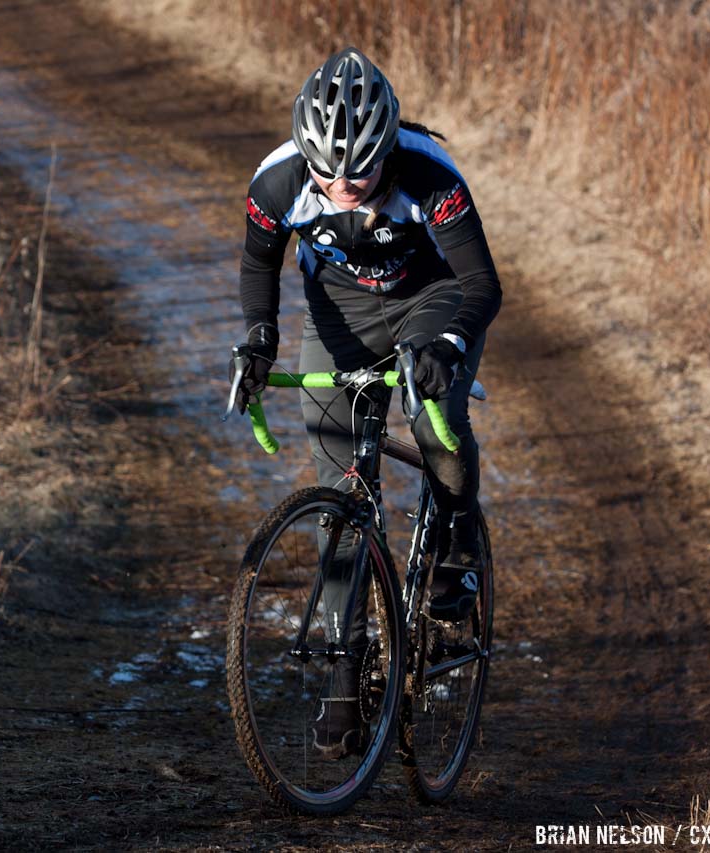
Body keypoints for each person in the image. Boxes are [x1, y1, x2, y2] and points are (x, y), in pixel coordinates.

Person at [232, 47, 501, 757]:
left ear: (387, 148)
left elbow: (482, 285)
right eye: (329, 172)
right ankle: (345, 678)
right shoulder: (278, 182)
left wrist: (446, 344)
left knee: (431, 413)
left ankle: (458, 534)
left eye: (362, 170)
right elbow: (261, 262)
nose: (345, 185)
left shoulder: (429, 175)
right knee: (339, 492)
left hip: (430, 300)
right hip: (340, 317)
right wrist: (259, 340)